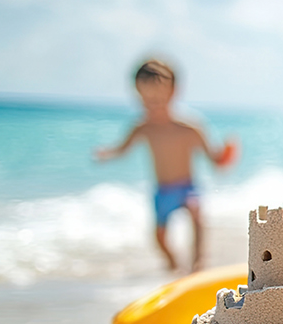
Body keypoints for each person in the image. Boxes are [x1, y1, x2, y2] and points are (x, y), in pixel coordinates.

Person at [95, 59, 235, 272]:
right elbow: (123, 149)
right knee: (159, 236)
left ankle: (198, 263)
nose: (153, 107)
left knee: (196, 213)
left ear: (173, 92)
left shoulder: (190, 127)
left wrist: (225, 156)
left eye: (158, 100)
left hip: (187, 187)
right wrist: (108, 153)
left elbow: (213, 158)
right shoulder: (143, 127)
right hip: (162, 191)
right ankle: (173, 264)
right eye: (147, 101)